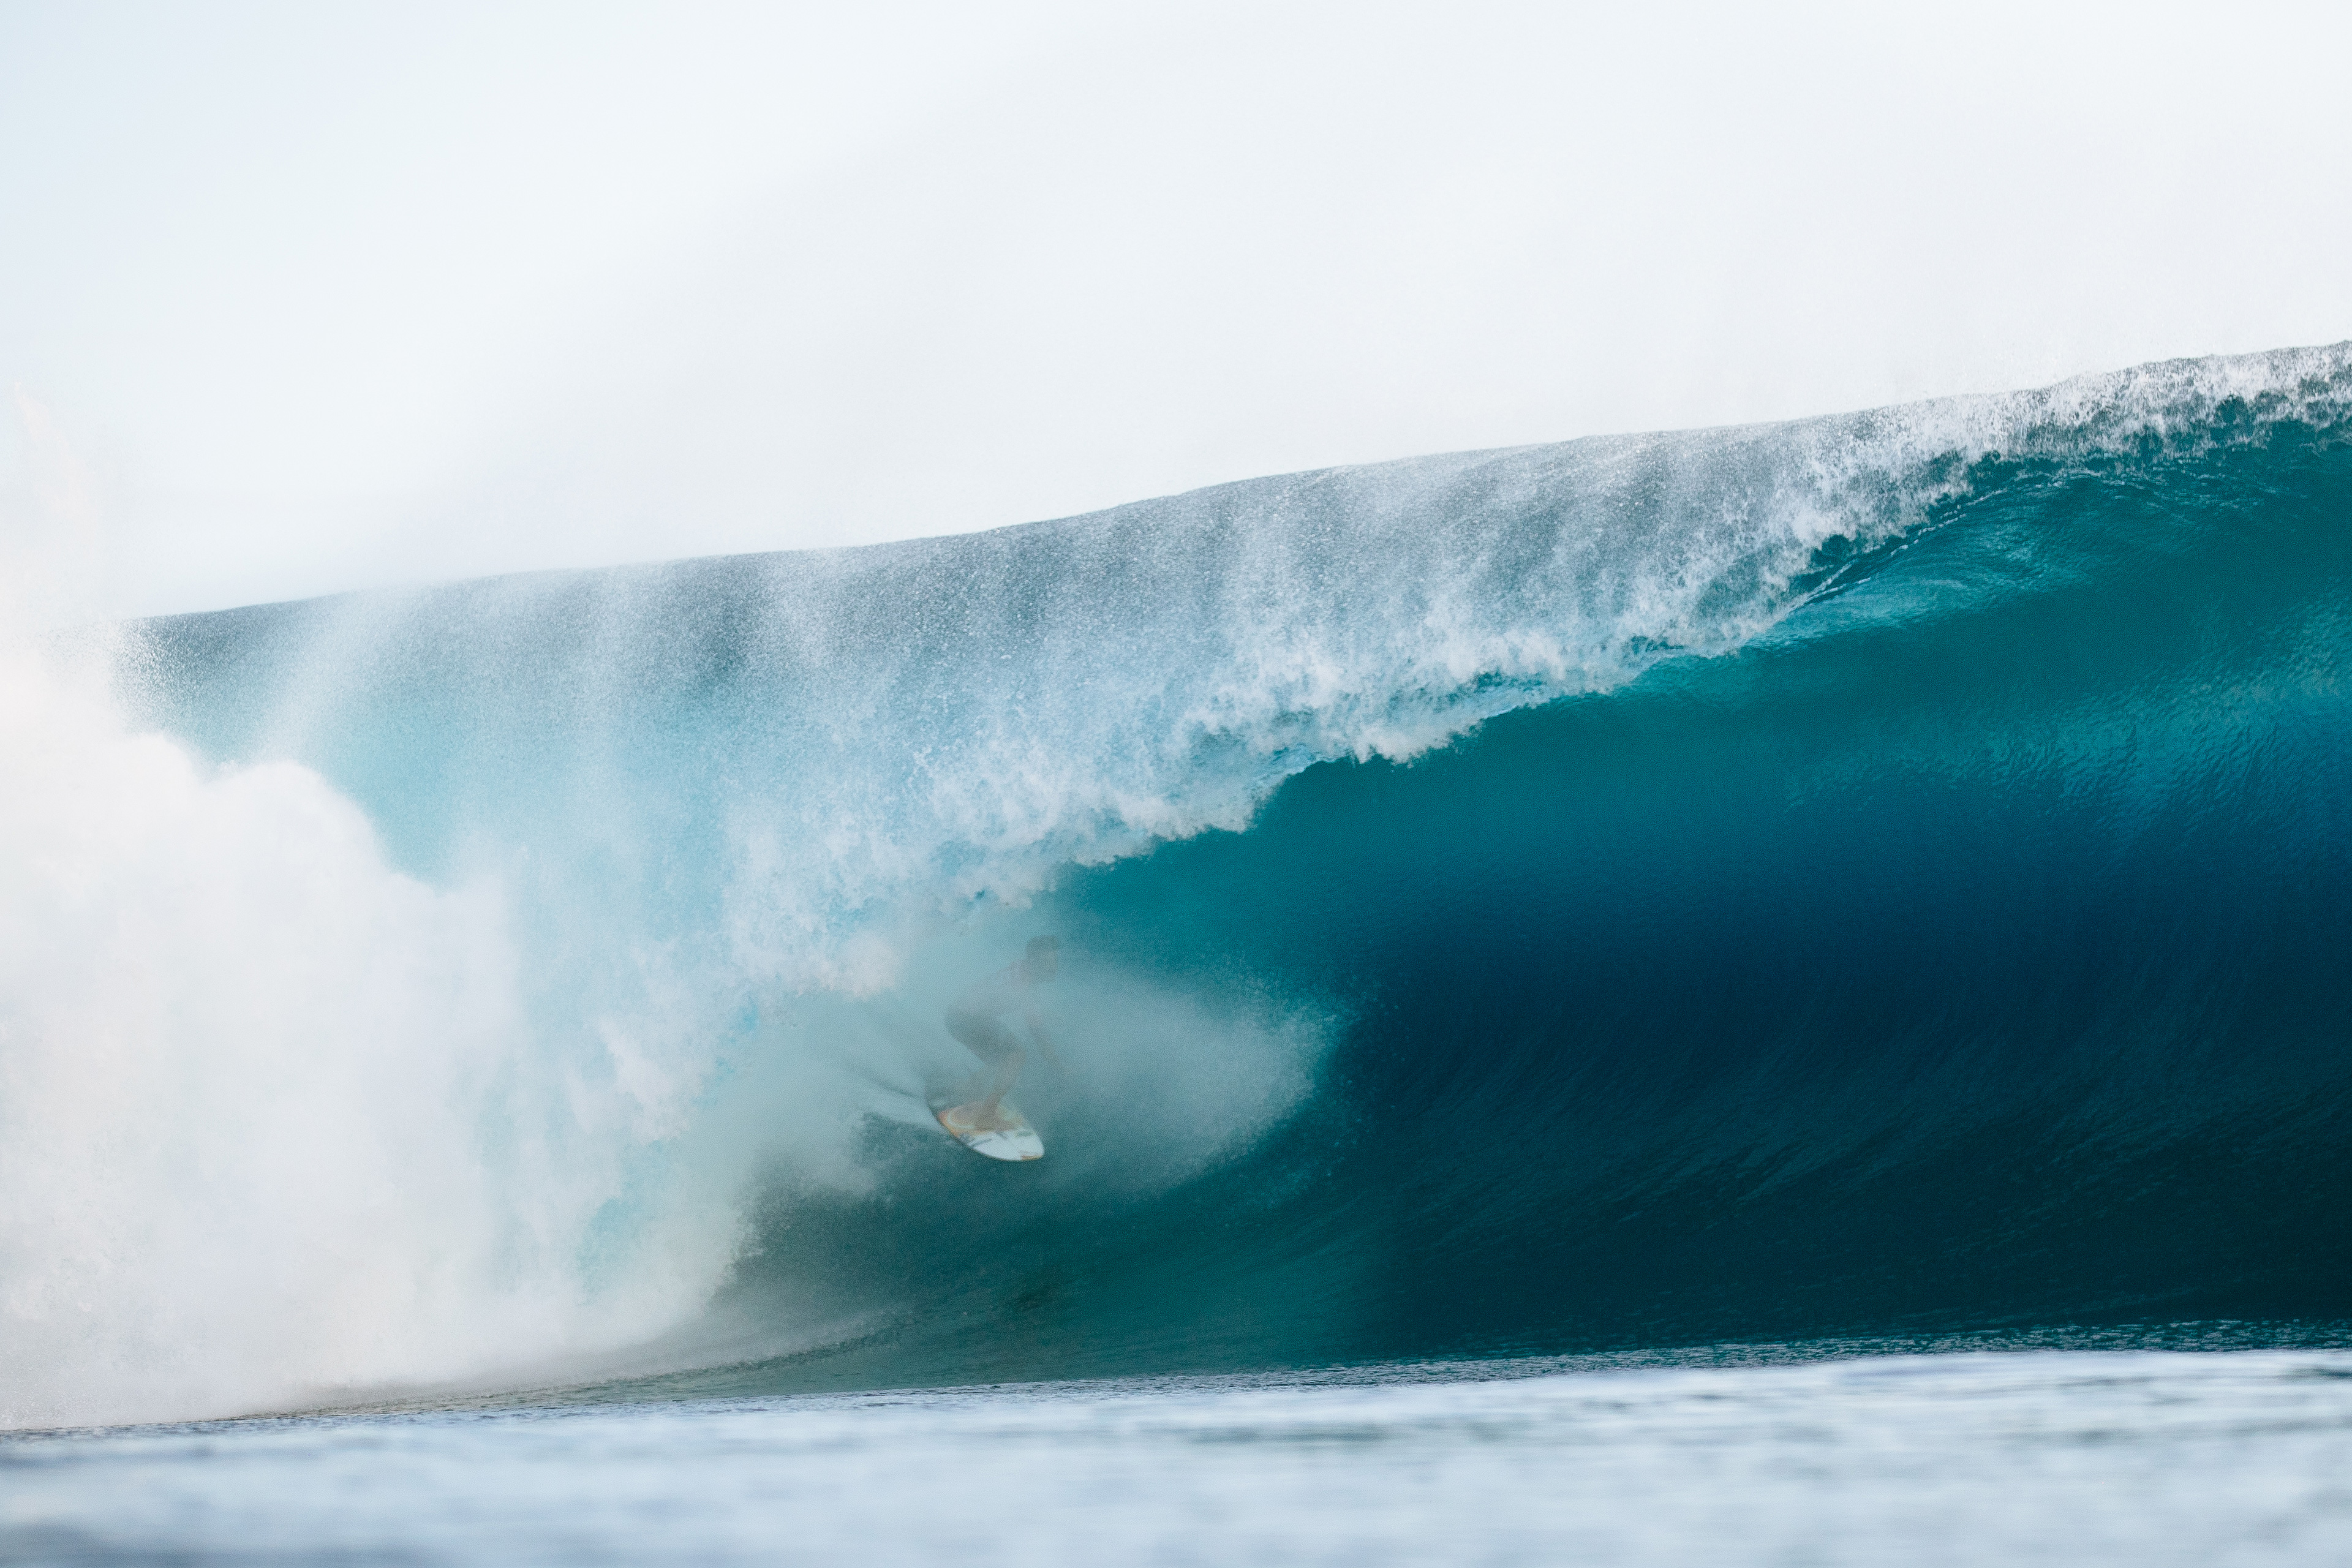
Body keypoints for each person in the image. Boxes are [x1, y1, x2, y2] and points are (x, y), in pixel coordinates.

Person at [941, 935, 1065, 1134]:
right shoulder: (1023, 988)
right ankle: (986, 1117)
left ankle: (967, 1087)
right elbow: (1039, 1035)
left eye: (1055, 961)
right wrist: (1061, 1067)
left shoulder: (1019, 968)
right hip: (964, 1020)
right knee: (1016, 1056)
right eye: (1046, 963)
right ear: (1032, 962)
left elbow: (1000, 994)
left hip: (964, 1015)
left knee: (1003, 1051)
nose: (1053, 969)